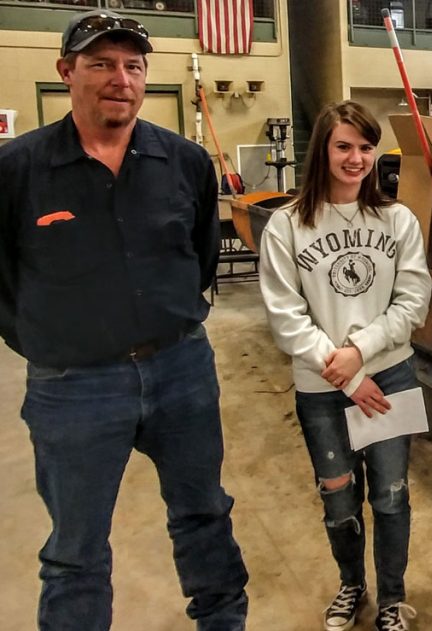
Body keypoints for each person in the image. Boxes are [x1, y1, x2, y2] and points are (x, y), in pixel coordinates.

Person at [0, 10, 248, 630]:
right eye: (101, 64)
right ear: (66, 72)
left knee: (205, 516)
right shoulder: (17, 170)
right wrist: (40, 341)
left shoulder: (185, 162)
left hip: (180, 370)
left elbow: (200, 257)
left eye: (133, 66)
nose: (120, 78)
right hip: (72, 387)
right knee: (75, 551)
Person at [259, 100, 430, 631]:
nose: (355, 158)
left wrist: (360, 354)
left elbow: (412, 301)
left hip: (391, 376)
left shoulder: (397, 218)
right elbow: (285, 317)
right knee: (339, 497)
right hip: (321, 389)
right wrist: (348, 375)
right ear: (323, 151)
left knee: (391, 495)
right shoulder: (286, 225)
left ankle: (391, 599)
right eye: (343, 146)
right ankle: (351, 586)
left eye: (364, 146)